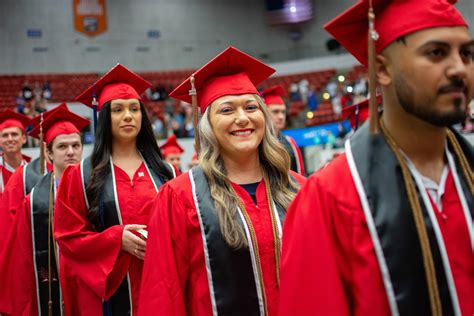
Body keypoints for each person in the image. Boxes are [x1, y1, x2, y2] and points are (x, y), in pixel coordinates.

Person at [279, 0, 473, 315]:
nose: (458, 68)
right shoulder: (328, 199)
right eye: (436, 53)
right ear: (382, 69)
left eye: (467, 53)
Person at [138, 47, 306, 316]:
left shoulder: (300, 189)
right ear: (208, 125)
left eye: (251, 107)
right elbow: (163, 291)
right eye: (227, 109)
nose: (242, 118)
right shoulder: (180, 197)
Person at [54, 64, 175, 315]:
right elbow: (67, 236)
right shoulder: (79, 176)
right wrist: (115, 239)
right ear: (104, 116)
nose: (128, 116)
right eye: (118, 110)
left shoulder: (167, 173)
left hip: (160, 284)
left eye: (134, 109)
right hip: (106, 294)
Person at [0, 107, 88, 316]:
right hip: (50, 280)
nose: (70, 152)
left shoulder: (95, 188)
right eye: (62, 146)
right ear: (48, 152)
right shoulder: (31, 195)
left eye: (76, 145)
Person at [261, 85, 305, 175]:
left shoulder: (290, 143)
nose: (281, 117)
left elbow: (300, 176)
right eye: (275, 112)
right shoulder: (255, 144)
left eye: (283, 112)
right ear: (264, 113)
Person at [0, 109, 31, 194]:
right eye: (5, 135)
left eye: (14, 134)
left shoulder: (33, 169)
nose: (10, 139)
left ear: (24, 138)